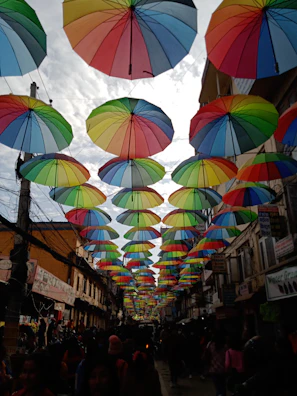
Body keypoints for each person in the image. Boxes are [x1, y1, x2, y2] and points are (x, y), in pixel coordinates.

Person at [208, 332, 227, 396]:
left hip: (213, 369)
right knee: (223, 388)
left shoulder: (211, 345)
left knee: (218, 388)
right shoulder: (225, 347)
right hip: (223, 369)